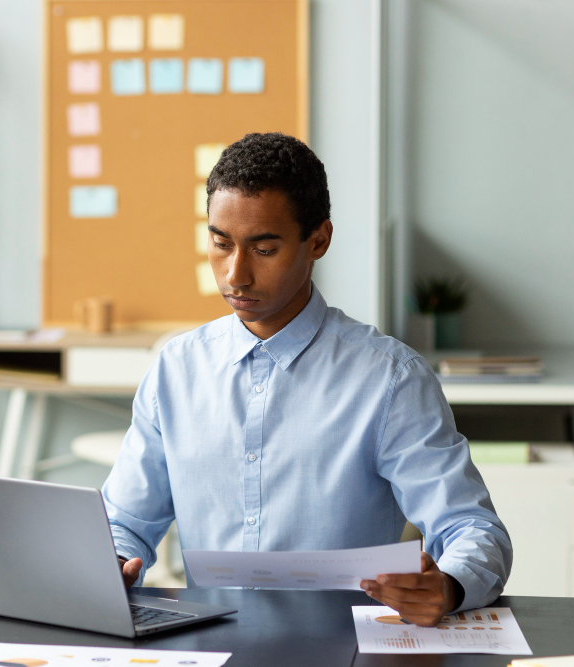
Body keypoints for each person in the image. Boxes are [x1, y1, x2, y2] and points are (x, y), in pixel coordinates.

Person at [101, 132, 512, 626]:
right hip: (210, 644)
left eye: (264, 248)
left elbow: (472, 528)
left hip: (342, 644)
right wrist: (109, 564)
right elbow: (123, 522)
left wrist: (447, 585)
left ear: (318, 240)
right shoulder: (176, 369)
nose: (236, 274)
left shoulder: (390, 378)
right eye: (220, 243)